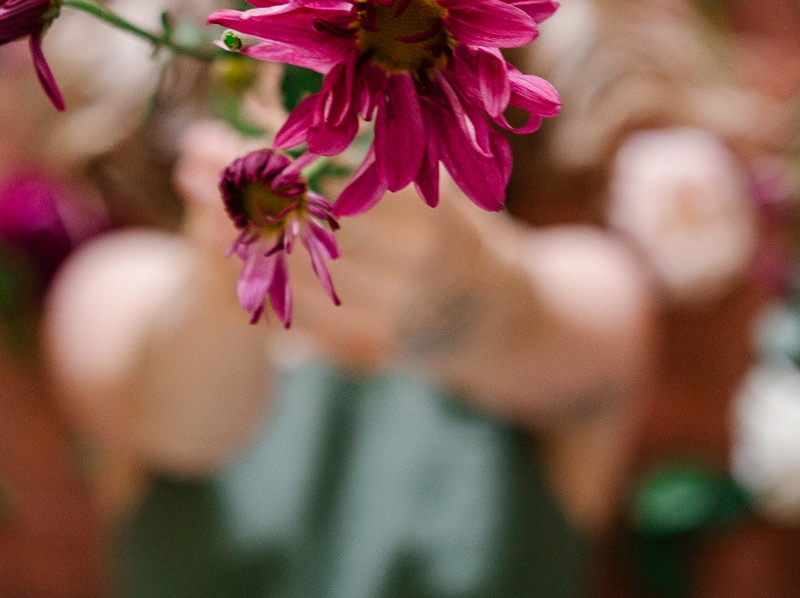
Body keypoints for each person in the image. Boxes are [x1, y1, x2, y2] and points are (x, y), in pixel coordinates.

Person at [43, 118, 654, 598]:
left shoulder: (581, 285)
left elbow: (546, 332)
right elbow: (180, 421)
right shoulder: (120, 288)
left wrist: (447, 285)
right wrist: (229, 280)